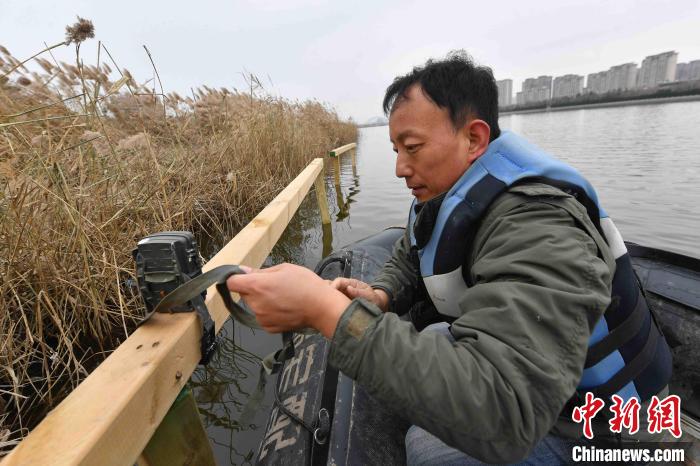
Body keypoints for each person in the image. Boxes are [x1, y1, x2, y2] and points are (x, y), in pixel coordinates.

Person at [227, 51, 672, 464]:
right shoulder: (447, 191)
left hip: (606, 425)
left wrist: (328, 311)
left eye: (413, 147)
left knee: (427, 447)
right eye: (395, 150)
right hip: (555, 392)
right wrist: (381, 294)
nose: (400, 167)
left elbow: (507, 413)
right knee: (439, 333)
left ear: (474, 137)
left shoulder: (539, 223)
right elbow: (412, 250)